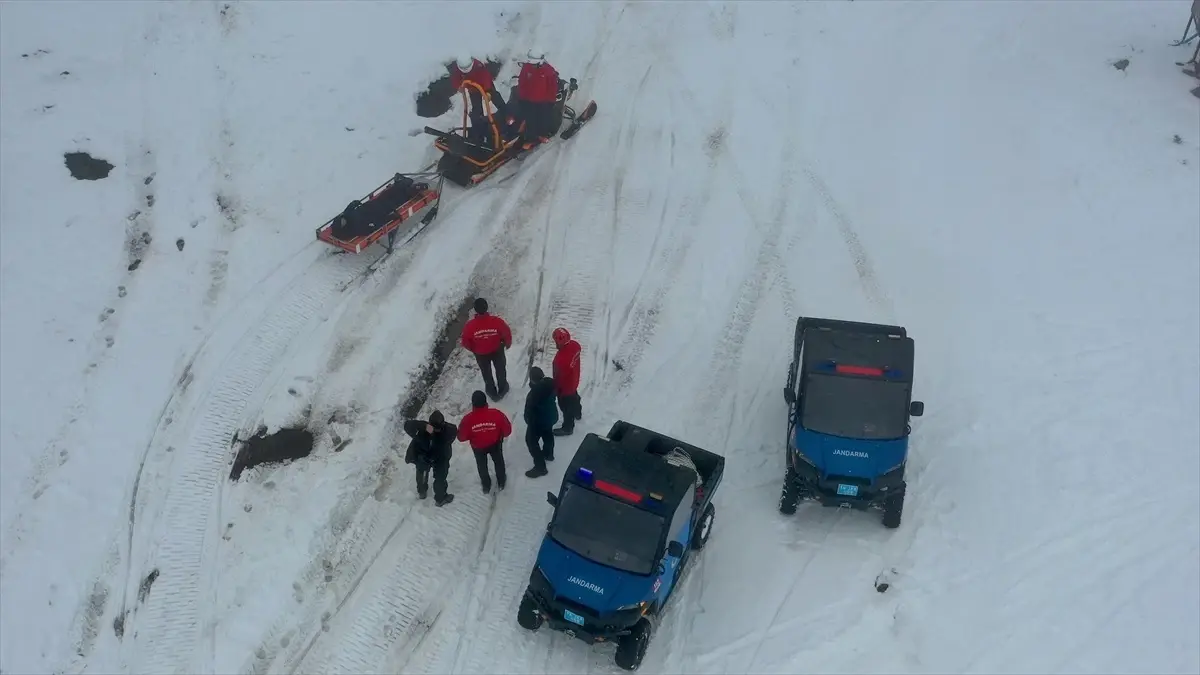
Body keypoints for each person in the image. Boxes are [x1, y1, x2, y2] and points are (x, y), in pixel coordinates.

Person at [457, 390, 512, 493]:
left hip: (478, 447)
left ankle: (486, 484)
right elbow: (507, 430)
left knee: (482, 465)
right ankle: (501, 481)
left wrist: (473, 435)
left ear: (473, 404)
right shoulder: (496, 414)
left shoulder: (467, 420)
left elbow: (461, 437)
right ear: (486, 402)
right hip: (495, 443)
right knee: (499, 462)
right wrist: (500, 435)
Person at [460, 297, 512, 400]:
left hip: (481, 354)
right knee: (500, 369)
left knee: (486, 373)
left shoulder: (469, 326)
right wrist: (507, 344)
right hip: (497, 350)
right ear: (487, 307)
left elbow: (465, 342)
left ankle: (491, 392)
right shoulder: (497, 321)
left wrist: (474, 349)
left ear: (475, 310)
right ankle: (503, 388)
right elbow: (506, 333)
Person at [402, 410, 456, 506]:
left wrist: (425, 427)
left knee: (439, 477)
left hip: (437, 457)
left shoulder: (426, 431)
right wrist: (423, 426)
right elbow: (407, 425)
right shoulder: (449, 430)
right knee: (433, 475)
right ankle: (433, 495)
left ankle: (438, 496)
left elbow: (408, 426)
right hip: (430, 457)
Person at [514, 48, 560, 150]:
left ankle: (542, 134)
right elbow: (522, 82)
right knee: (530, 119)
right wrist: (521, 97)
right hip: (529, 100)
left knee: (543, 118)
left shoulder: (548, 71)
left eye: (534, 64)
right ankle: (529, 137)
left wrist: (551, 101)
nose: (532, 66)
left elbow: (552, 87)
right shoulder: (527, 67)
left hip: (543, 101)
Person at [450, 54, 508, 131]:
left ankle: (507, 114)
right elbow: (455, 78)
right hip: (472, 89)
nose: (465, 69)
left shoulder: (479, 66)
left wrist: (487, 92)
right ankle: (479, 127)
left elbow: (486, 78)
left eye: (467, 67)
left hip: (484, 86)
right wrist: (458, 86)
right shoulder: (457, 69)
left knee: (495, 97)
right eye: (463, 68)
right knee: (476, 108)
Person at [523, 366, 559, 478]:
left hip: (538, 421)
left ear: (532, 379)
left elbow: (528, 413)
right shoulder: (550, 384)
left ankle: (540, 468)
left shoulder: (534, 394)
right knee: (548, 434)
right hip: (551, 417)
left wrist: (529, 422)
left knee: (531, 441)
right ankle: (548, 454)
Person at [551, 327, 583, 436]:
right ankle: (578, 413)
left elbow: (557, 378)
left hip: (564, 388)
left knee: (566, 407)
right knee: (575, 397)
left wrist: (556, 390)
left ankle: (568, 427)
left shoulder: (559, 360)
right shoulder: (575, 345)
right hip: (574, 381)